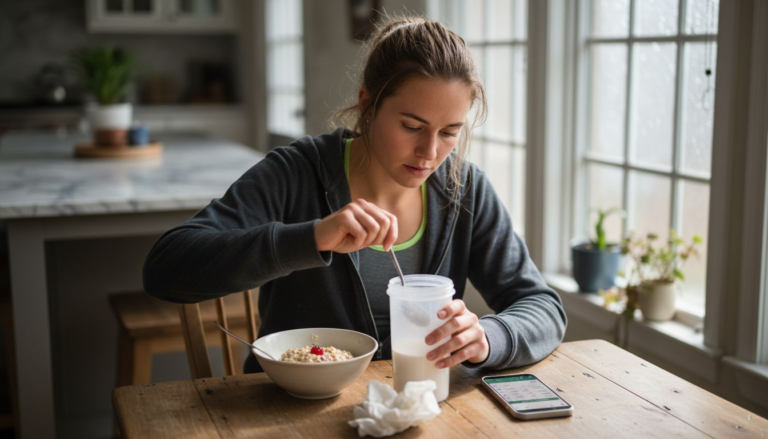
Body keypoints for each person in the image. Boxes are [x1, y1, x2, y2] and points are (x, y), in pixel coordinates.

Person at [143, 16, 566, 374]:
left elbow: (542, 307)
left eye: (450, 132)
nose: (430, 152)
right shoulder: (297, 172)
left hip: (418, 414)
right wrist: (310, 239)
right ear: (367, 105)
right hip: (291, 414)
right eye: (412, 127)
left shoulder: (464, 188)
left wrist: (488, 337)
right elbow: (166, 269)